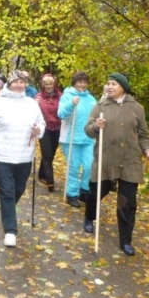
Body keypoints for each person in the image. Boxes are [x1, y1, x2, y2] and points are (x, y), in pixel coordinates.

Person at [83, 73, 149, 256]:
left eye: (113, 84)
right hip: (107, 158)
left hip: (130, 159)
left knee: (128, 202)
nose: (109, 87)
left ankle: (126, 240)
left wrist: (147, 149)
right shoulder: (100, 106)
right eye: (108, 84)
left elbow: (143, 133)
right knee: (97, 191)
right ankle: (89, 216)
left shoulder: (137, 108)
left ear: (123, 86)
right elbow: (88, 131)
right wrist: (97, 126)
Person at [0, 71, 45, 247]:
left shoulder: (31, 104)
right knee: (7, 191)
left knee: (19, 189)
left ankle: (7, 209)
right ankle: (10, 230)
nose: (19, 85)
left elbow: (41, 123)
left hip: (25, 155)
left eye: (22, 82)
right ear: (8, 84)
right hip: (2, 154)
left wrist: (38, 130)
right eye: (15, 82)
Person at [57, 71, 97, 207]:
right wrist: (71, 104)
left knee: (90, 165)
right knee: (73, 168)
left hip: (88, 138)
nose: (83, 85)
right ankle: (71, 194)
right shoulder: (67, 96)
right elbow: (61, 114)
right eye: (80, 82)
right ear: (74, 82)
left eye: (85, 82)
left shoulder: (91, 99)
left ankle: (84, 190)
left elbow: (96, 116)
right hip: (71, 138)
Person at [34, 74, 62, 192]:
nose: (49, 86)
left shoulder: (60, 96)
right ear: (43, 85)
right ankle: (50, 181)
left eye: (51, 84)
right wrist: (36, 104)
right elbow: (33, 112)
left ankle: (41, 174)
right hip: (44, 128)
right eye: (46, 84)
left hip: (57, 128)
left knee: (51, 153)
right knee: (47, 153)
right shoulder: (38, 97)